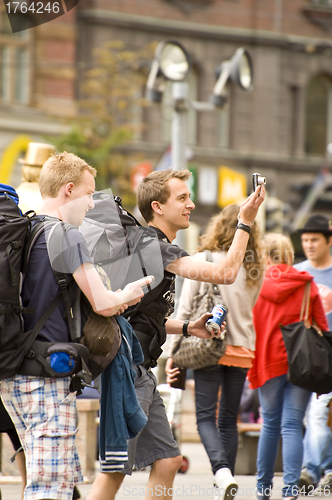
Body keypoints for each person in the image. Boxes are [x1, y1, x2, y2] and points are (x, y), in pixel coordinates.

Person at [87, 169, 265, 500]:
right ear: (157, 206)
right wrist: (245, 222)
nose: (191, 204)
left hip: (137, 368)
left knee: (169, 460)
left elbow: (137, 314)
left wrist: (187, 327)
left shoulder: (147, 247)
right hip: (126, 369)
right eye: (182, 198)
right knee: (114, 471)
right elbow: (225, 274)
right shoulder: (157, 248)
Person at [1, 152, 152, 500]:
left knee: (48, 479)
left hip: (13, 372)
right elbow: (102, 302)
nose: (91, 204)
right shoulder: (67, 235)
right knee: (50, 487)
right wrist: (128, 293)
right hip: (46, 378)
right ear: (69, 190)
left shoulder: (28, 229)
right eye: (89, 193)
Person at [165, 203, 264, 500]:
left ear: (218, 227)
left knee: (205, 417)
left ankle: (221, 472)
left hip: (207, 344)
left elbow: (184, 308)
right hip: (243, 348)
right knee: (228, 418)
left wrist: (172, 352)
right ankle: (226, 481)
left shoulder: (203, 260)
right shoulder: (255, 268)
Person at [247, 233, 328, 500]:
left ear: (265, 255)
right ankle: (291, 490)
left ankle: (263, 490)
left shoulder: (255, 285)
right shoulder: (307, 285)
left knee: (269, 424)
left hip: (267, 362)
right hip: (301, 364)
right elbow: (322, 328)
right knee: (292, 424)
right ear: (289, 256)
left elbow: (248, 327)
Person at [293, 215, 332, 494]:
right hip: (306, 357)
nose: (309, 245)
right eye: (305, 240)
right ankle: (324, 470)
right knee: (311, 416)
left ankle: (311, 470)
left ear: (328, 241)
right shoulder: (297, 273)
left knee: (319, 415)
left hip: (330, 353)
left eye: (314, 240)